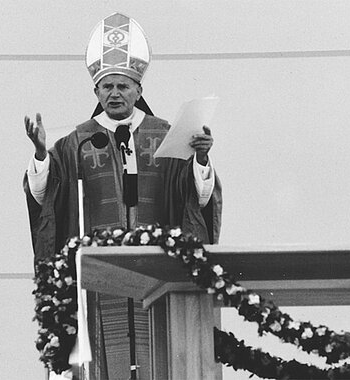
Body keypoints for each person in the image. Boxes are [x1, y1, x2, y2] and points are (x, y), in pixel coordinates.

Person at [23, 12, 222, 379]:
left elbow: (196, 200)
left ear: (138, 90)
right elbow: (46, 198)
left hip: (157, 272)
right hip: (99, 275)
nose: (115, 93)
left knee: (157, 358)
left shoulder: (168, 136)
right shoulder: (75, 143)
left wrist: (201, 159)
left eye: (123, 86)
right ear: (96, 92)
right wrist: (40, 155)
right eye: (107, 87)